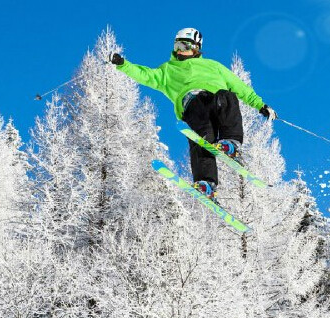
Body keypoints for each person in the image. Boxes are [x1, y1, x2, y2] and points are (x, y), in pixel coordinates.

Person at [110, 27, 277, 202]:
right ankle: (206, 183)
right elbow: (144, 75)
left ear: (196, 48)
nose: (180, 50)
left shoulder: (213, 66)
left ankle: (231, 143)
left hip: (216, 100)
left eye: (184, 46)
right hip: (193, 106)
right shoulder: (167, 70)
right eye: (177, 46)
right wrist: (123, 64)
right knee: (202, 141)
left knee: (228, 96)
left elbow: (240, 87)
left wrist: (260, 105)